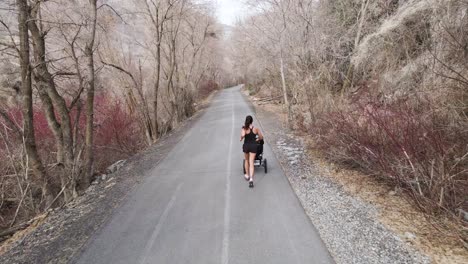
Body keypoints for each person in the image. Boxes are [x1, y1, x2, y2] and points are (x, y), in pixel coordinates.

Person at [240, 115, 263, 188]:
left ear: (246, 121)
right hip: (253, 146)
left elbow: (243, 135)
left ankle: (247, 175)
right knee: (251, 162)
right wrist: (257, 140)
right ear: (252, 121)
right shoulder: (256, 129)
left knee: (246, 161)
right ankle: (251, 179)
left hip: (246, 146)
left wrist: (241, 138)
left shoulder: (244, 128)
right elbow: (261, 137)